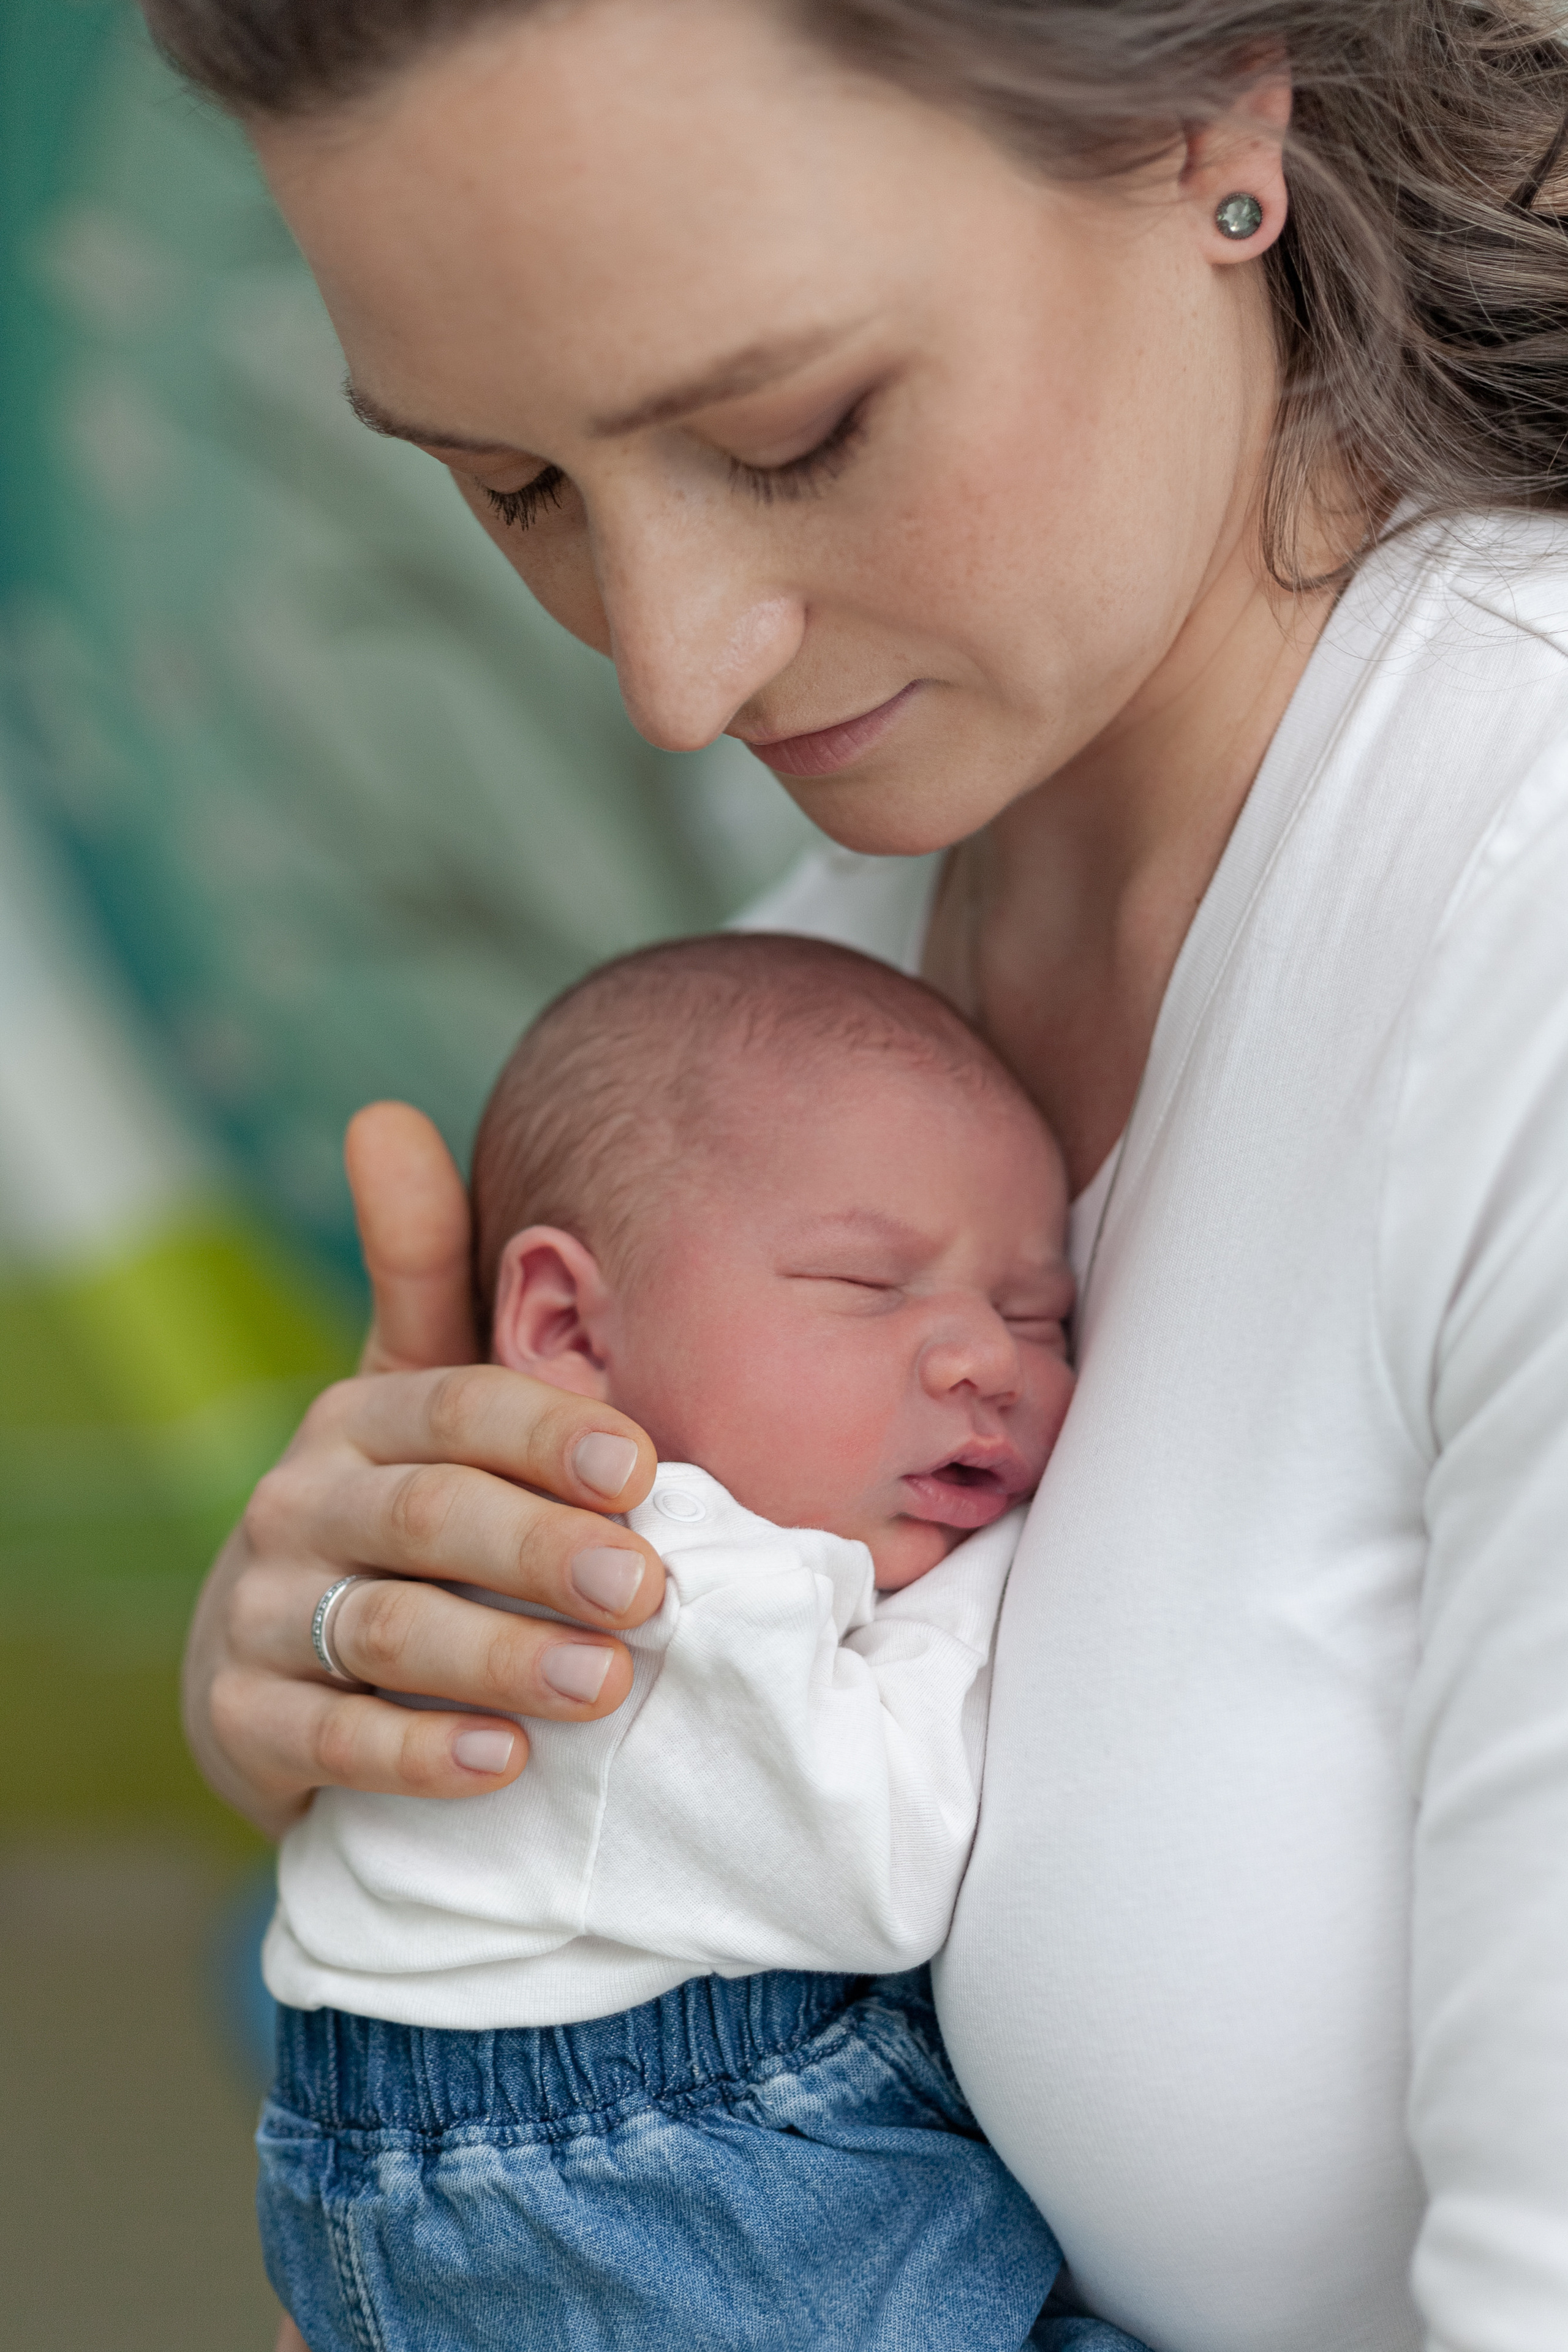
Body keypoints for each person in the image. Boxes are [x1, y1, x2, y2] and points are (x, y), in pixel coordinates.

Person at [139, 0, 1568, 2345]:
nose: (679, 677)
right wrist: (382, 1720)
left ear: (1218, 122)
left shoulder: (1518, 921)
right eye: (510, 486)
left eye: (789, 431)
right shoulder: (830, 981)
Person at [261, 929, 1139, 2350]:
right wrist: (1019, 1565)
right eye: (867, 1286)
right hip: (617, 2172)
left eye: (1035, 1310)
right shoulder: (660, 1562)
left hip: (467, 2174)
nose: (984, 1354)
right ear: (569, 1329)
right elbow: (887, 1864)